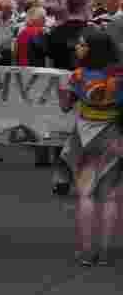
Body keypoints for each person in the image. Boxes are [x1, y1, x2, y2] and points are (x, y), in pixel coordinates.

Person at [58, 29, 123, 267]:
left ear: (93, 50)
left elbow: (65, 106)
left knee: (86, 194)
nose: (78, 48)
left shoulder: (78, 76)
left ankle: (86, 252)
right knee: (110, 197)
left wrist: (63, 92)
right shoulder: (119, 75)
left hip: (85, 137)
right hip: (114, 135)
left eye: (82, 45)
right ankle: (105, 253)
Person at [48, 0, 93, 71]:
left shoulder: (54, 32)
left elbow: (50, 62)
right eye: (90, 7)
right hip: (86, 80)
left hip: (61, 79)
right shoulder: (94, 32)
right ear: (84, 8)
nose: (91, 10)